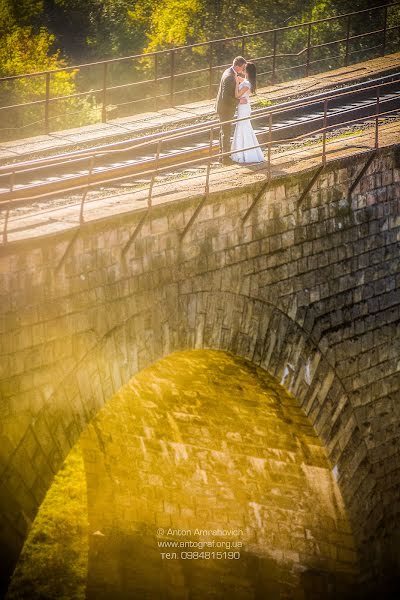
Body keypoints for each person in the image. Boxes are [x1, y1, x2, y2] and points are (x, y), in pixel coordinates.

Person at [231, 62, 265, 164]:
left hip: (243, 108)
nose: (243, 70)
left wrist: (237, 83)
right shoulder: (248, 81)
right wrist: (238, 78)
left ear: (247, 71)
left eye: (244, 68)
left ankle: (245, 154)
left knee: (243, 128)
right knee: (244, 127)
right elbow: (243, 80)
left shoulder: (246, 84)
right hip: (244, 107)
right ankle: (242, 153)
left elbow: (237, 95)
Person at [215, 56, 247, 165]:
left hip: (223, 107)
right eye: (243, 67)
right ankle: (225, 158)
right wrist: (239, 101)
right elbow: (226, 97)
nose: (243, 69)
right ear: (238, 67)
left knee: (223, 131)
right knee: (226, 132)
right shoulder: (229, 76)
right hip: (225, 108)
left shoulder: (228, 71)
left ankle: (222, 156)